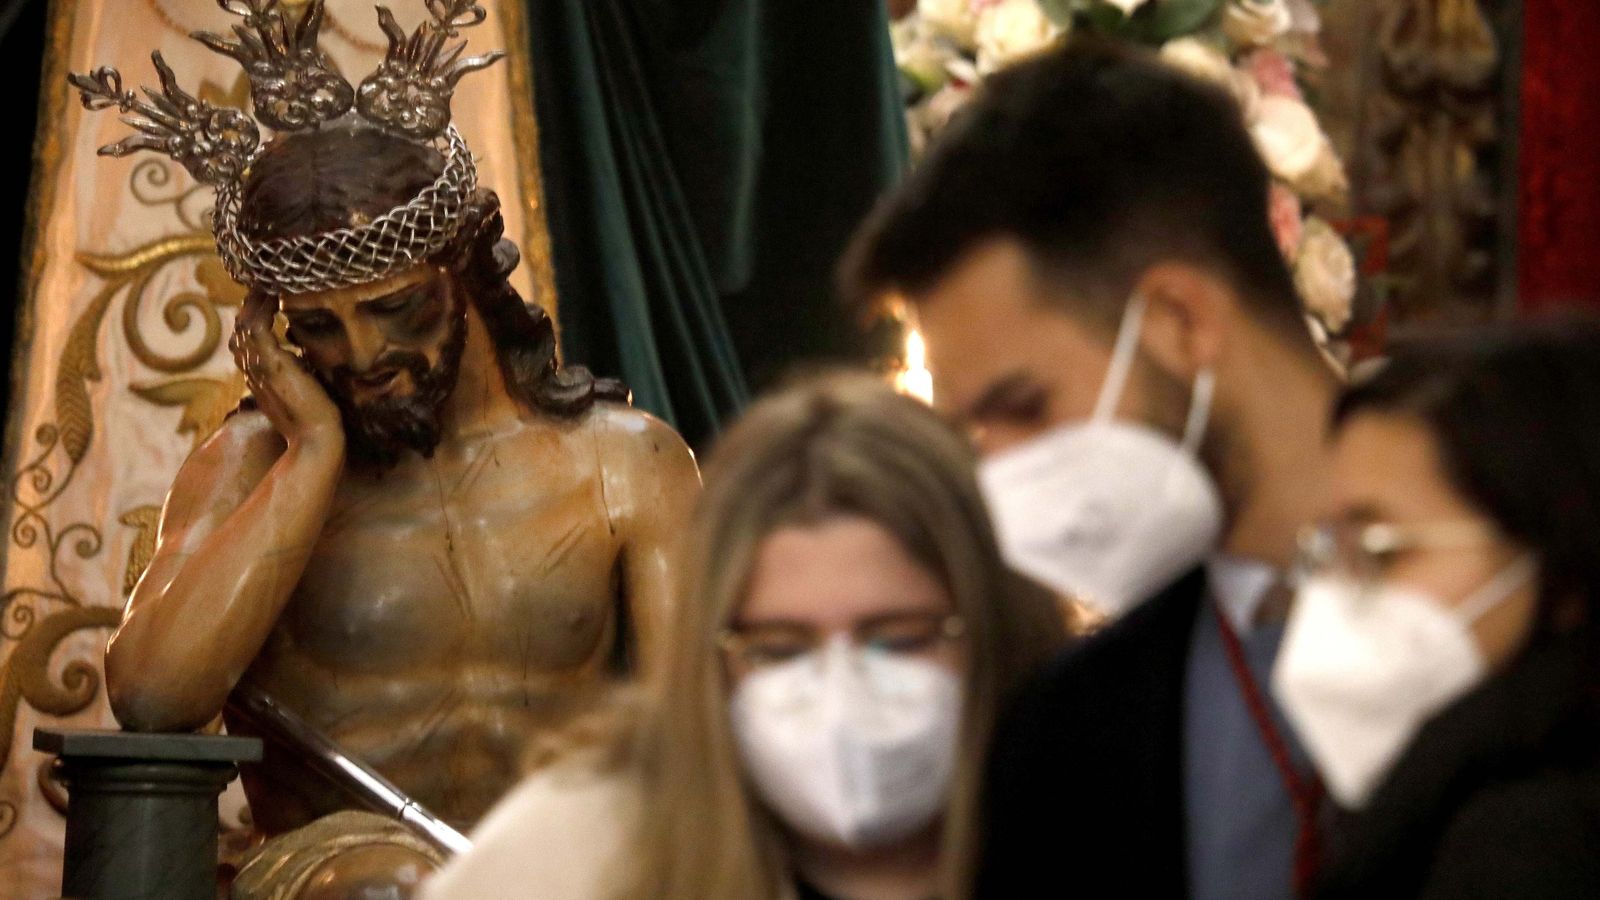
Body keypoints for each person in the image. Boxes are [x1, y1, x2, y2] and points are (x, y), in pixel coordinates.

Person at [71, 3, 699, 896]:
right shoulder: (256, 464)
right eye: (318, 328)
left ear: (468, 272)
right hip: (335, 869)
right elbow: (153, 696)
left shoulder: (627, 466)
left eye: (399, 310)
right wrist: (312, 455)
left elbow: (698, 734)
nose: (362, 358)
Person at [841, 39, 1342, 898]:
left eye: (1024, 406)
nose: (996, 475)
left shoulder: (1538, 579)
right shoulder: (1061, 735)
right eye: (971, 431)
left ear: (1183, 322)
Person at [423, 374, 1067, 899]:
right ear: (712, 653)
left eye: (897, 641)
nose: (839, 694)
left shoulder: (1115, 806)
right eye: (781, 651)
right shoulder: (580, 843)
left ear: (992, 627)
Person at [1272, 320, 1600, 898]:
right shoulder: (1449, 799)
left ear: (1558, 556)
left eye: (1381, 551)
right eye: (1333, 552)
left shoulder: (1534, 845)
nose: (1333, 595)